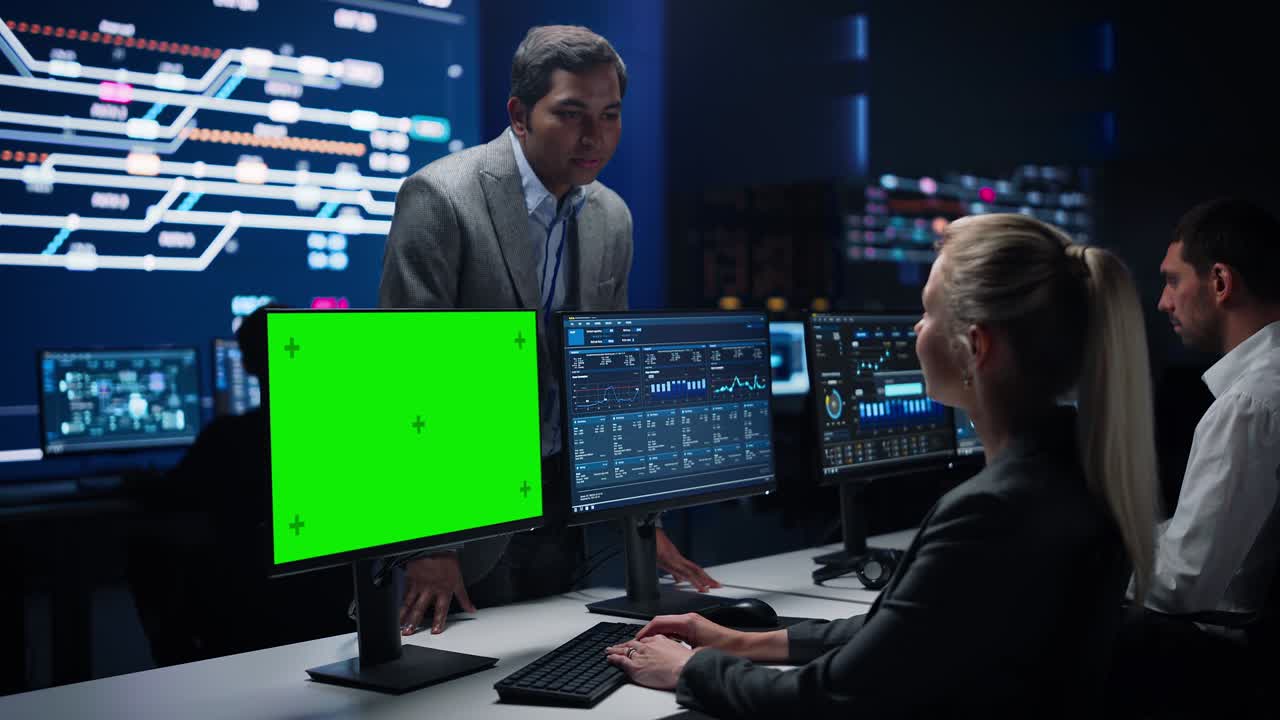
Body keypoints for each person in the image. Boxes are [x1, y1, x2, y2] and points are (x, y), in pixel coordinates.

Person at [605, 214, 1159, 716]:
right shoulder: (1074, 475)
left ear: (976, 347)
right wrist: (733, 639)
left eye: (927, 312)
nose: (915, 330)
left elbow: (832, 698)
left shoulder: (992, 513)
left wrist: (689, 670)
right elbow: (902, 635)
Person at [378, 25, 717, 636]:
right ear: (519, 114)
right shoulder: (441, 197)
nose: (595, 137)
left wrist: (642, 517)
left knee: (566, 658)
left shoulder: (611, 215)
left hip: (569, 498)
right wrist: (429, 543)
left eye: (610, 115)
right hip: (469, 511)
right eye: (571, 114)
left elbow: (613, 376)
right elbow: (408, 379)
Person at [1105, 199, 1280, 716]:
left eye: (1172, 280)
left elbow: (1184, 585)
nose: (1163, 302)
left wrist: (1092, 558)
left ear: (1220, 282)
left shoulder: (1250, 404)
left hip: (1222, 665)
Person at [129, 304, 351, 665]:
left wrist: (140, 484)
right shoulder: (341, 439)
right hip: (332, 616)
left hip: (241, 623)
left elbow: (170, 496)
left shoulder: (225, 439)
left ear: (247, 364)